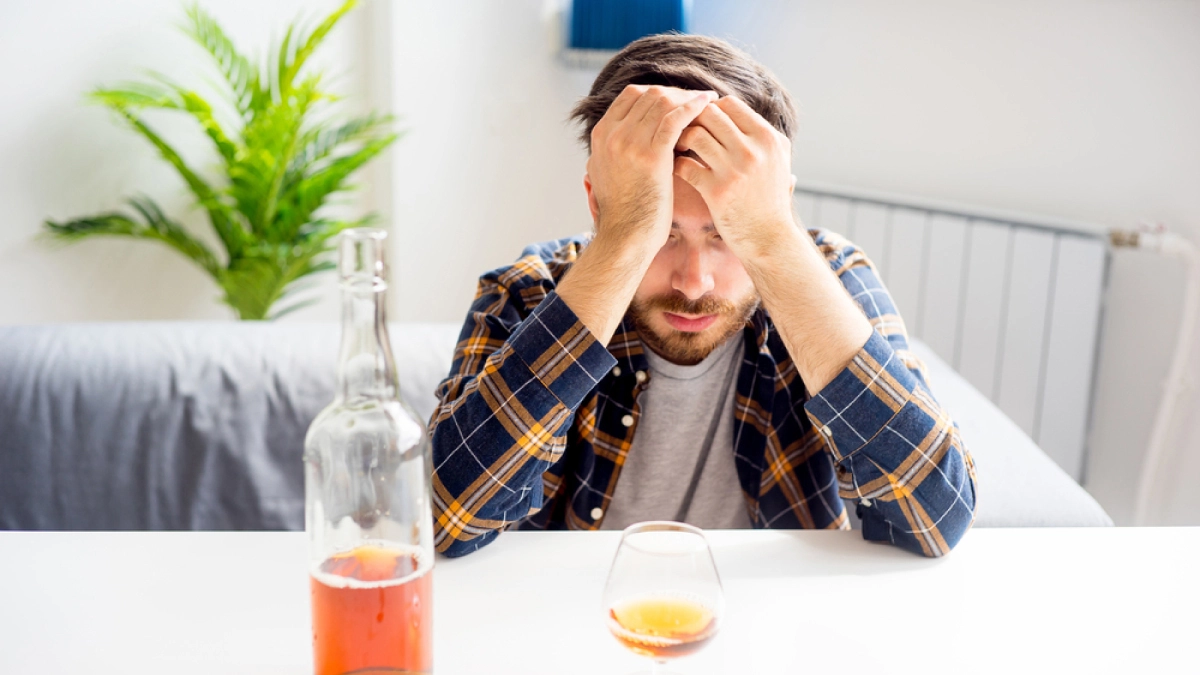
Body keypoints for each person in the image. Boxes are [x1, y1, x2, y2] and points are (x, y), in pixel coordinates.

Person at [428, 34, 976, 558]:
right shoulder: (527, 293)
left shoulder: (830, 278)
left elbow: (936, 520)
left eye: (726, 234)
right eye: (662, 234)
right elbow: (445, 520)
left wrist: (771, 239)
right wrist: (622, 241)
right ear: (598, 205)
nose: (693, 284)